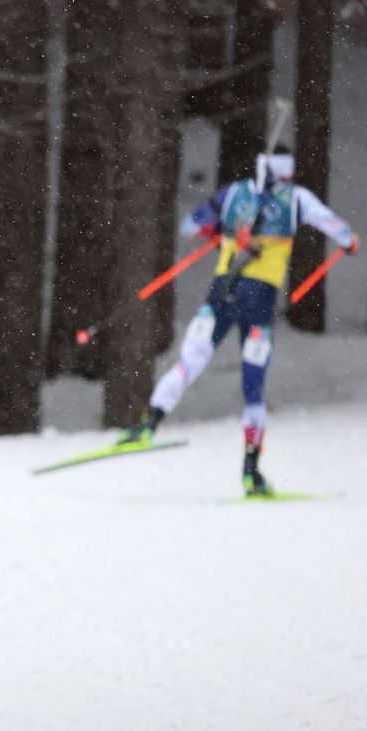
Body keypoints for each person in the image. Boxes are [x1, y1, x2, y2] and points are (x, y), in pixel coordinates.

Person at [121, 147, 357, 496]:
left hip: (223, 292)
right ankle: (251, 472)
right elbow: (338, 229)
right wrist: (348, 240)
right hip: (258, 301)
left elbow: (190, 225)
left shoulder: (234, 193)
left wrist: (219, 229)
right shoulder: (297, 199)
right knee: (253, 387)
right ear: (288, 172)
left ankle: (149, 423)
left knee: (190, 361)